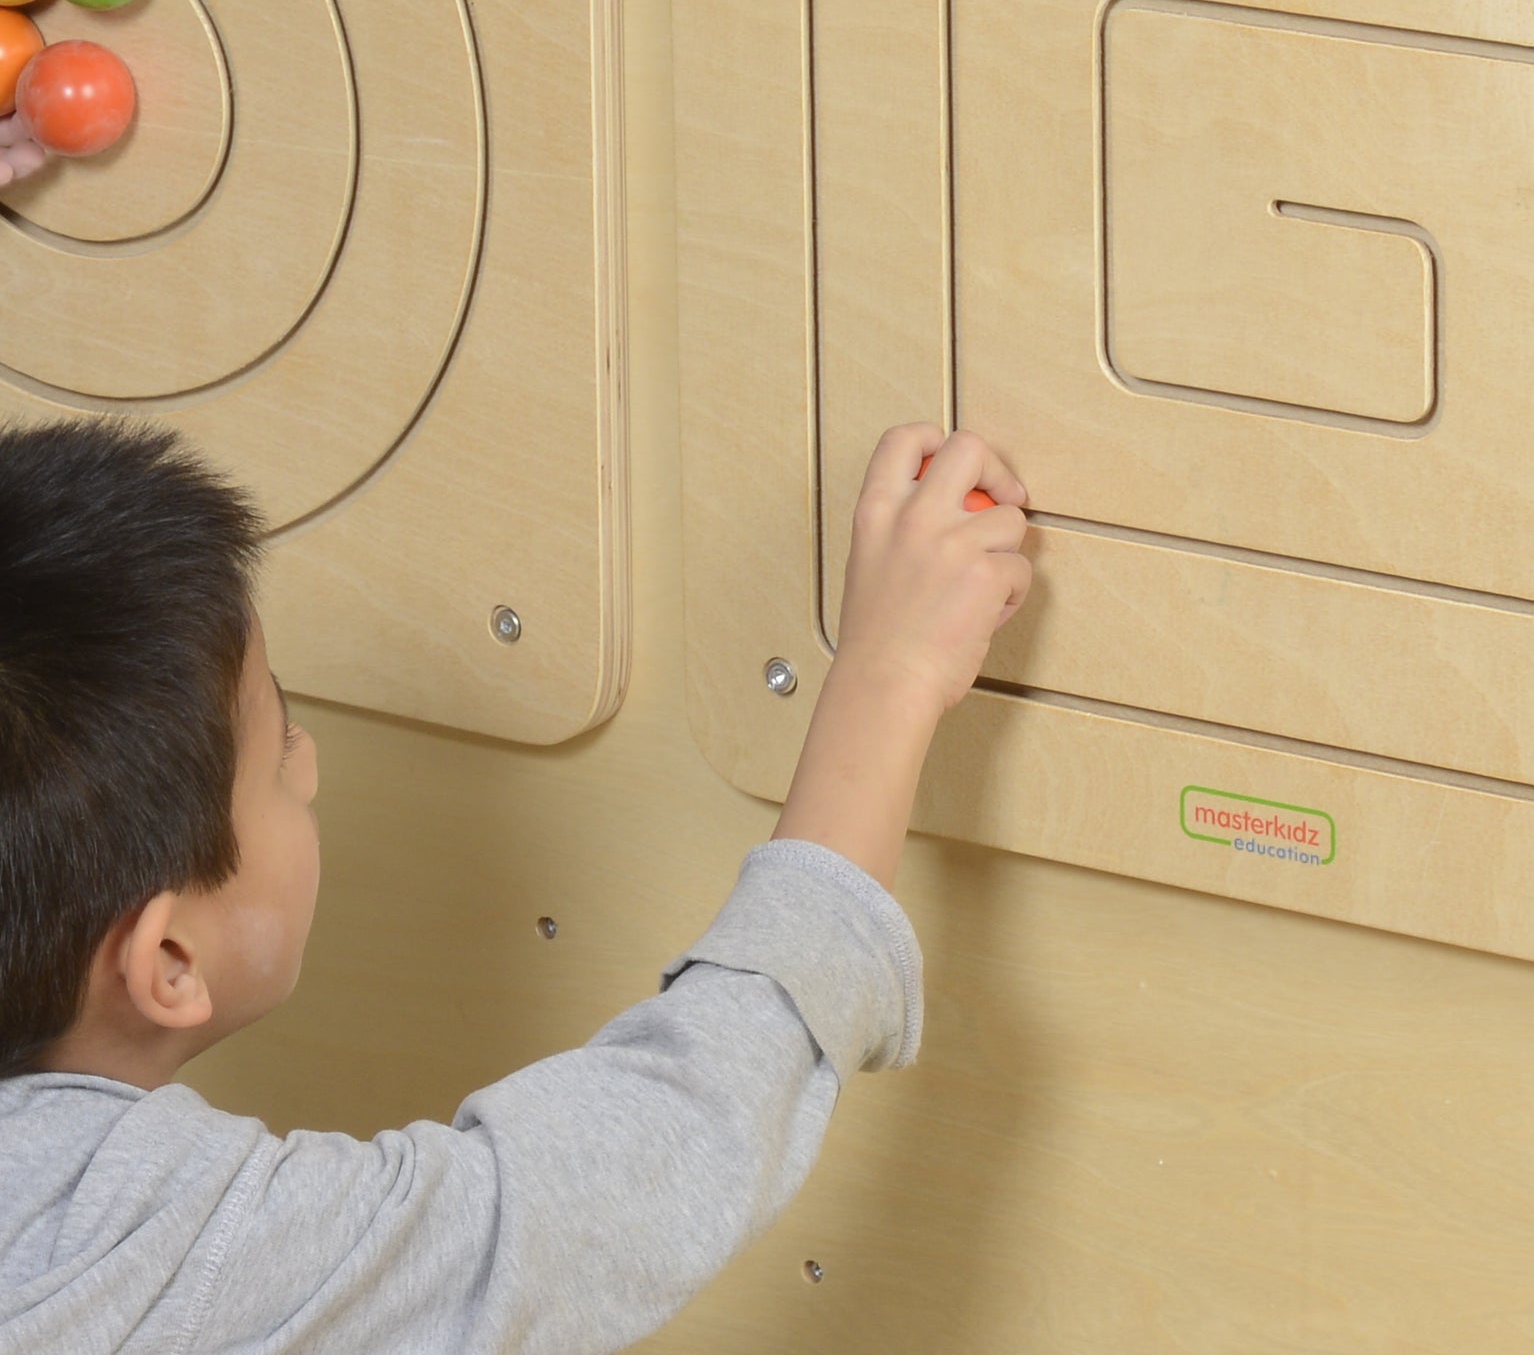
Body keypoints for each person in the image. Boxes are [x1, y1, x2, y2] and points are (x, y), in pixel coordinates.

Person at [0, 416, 1031, 1353]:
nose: (308, 764)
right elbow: (606, 1195)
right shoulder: (134, 1248)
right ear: (170, 961)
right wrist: (889, 677)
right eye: (277, 753)